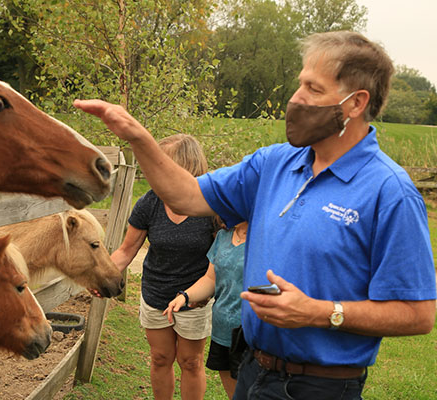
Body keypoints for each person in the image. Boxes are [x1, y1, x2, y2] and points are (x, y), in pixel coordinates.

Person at [74, 30, 436, 400]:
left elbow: (419, 314)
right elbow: (186, 195)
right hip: (251, 369)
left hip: (321, 386)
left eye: (313, 88)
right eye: (299, 85)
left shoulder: (389, 192)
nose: (296, 99)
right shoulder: (274, 163)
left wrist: (320, 312)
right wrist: (138, 136)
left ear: (355, 103)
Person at [110, 134, 217, 400]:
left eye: (161, 162)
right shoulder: (150, 202)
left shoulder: (209, 205)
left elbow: (220, 260)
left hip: (195, 299)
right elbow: (125, 251)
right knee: (160, 358)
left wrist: (198, 294)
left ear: (185, 165)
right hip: (156, 294)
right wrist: (101, 274)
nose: (153, 168)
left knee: (190, 362)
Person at [164, 221, 248, 398]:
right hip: (223, 332)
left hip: (251, 334)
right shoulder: (223, 237)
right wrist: (185, 296)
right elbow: (210, 279)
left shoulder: (263, 236)